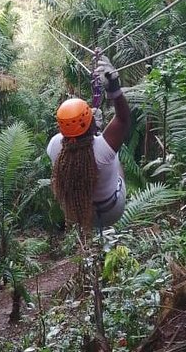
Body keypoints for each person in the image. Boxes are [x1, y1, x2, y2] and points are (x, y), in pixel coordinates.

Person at [47, 56, 131, 231]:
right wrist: (114, 88)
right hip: (112, 211)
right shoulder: (104, 149)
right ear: (91, 122)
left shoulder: (54, 146)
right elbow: (123, 119)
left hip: (78, 213)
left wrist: (89, 129)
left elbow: (74, 140)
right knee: (115, 160)